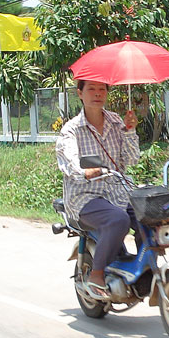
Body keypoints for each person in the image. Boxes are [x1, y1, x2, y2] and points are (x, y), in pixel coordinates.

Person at [55, 80, 141, 300]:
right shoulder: (71, 129)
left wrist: (130, 131)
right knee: (118, 220)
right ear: (80, 94)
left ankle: (144, 266)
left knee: (149, 216)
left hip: (118, 190)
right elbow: (69, 158)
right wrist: (84, 171)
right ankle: (97, 274)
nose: (97, 94)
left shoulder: (116, 121)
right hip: (85, 195)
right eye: (91, 89)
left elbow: (130, 159)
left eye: (102, 89)